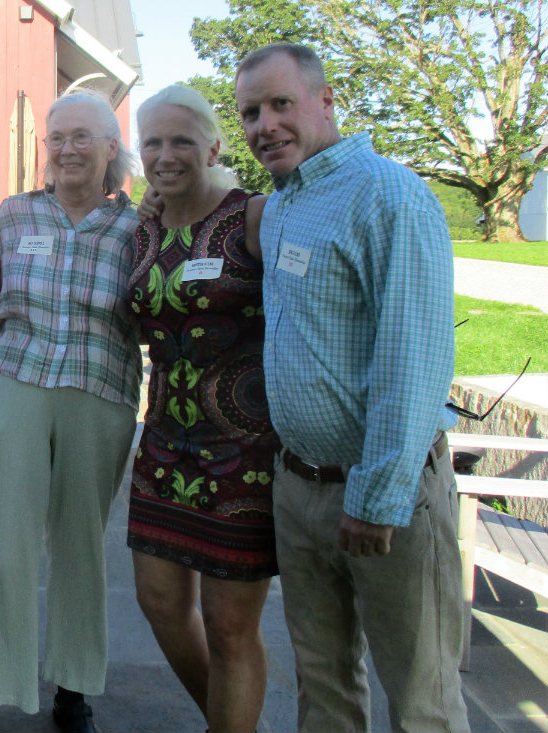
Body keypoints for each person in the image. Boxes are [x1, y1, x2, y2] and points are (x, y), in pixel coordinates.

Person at [234, 43, 467, 731]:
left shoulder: (388, 195)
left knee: (422, 700)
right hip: (300, 488)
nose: (265, 125)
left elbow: (415, 359)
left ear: (326, 101)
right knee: (325, 686)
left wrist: (377, 496)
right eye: (251, 112)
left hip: (382, 495)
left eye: (281, 104)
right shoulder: (278, 207)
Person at [0, 89, 141, 733]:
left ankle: (73, 688)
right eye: (57, 137)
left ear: (111, 148)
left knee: (79, 546)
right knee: (2, 545)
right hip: (15, 380)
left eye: (82, 137)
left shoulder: (137, 226)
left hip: (100, 390)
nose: (66, 148)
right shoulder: (13, 216)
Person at [128, 85, 279, 733]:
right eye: (153, 142)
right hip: (161, 444)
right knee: (161, 606)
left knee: (228, 628)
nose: (166, 154)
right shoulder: (145, 226)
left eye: (181, 140)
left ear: (214, 146)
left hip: (243, 455)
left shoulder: (255, 217)